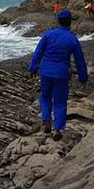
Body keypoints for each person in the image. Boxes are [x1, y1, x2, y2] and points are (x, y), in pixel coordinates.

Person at [28, 9, 88, 141]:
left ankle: (46, 121)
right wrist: (83, 77)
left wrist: (33, 68)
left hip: (46, 72)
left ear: (58, 21)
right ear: (70, 22)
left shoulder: (48, 34)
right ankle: (57, 129)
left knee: (45, 97)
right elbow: (80, 60)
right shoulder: (72, 39)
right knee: (60, 102)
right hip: (61, 74)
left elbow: (38, 52)